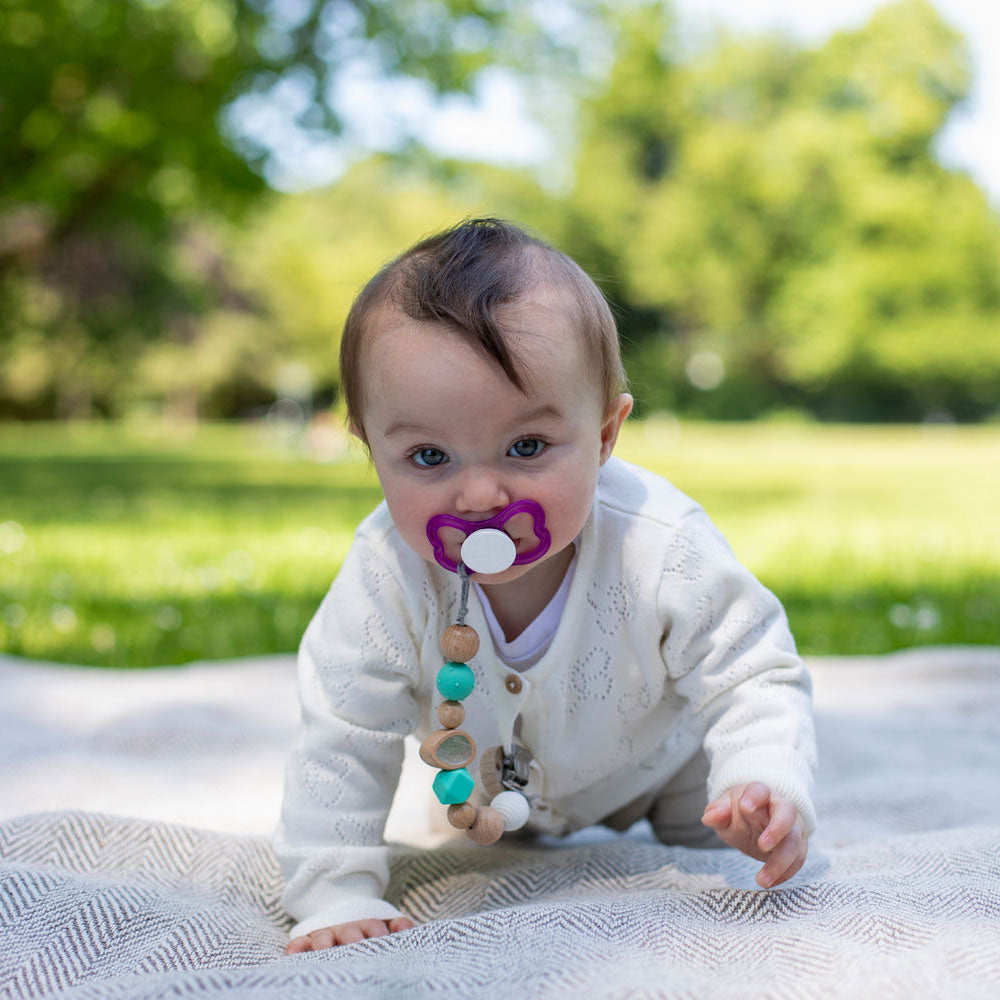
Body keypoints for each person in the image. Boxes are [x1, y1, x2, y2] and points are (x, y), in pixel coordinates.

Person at [276, 218, 817, 953]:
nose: (478, 495)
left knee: (733, 843)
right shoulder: (385, 572)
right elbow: (342, 732)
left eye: (526, 446)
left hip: (666, 767)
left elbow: (751, 668)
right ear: (374, 452)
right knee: (479, 841)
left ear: (603, 435)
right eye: (428, 456)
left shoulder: (659, 542)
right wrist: (332, 889)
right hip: (486, 793)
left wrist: (762, 781)